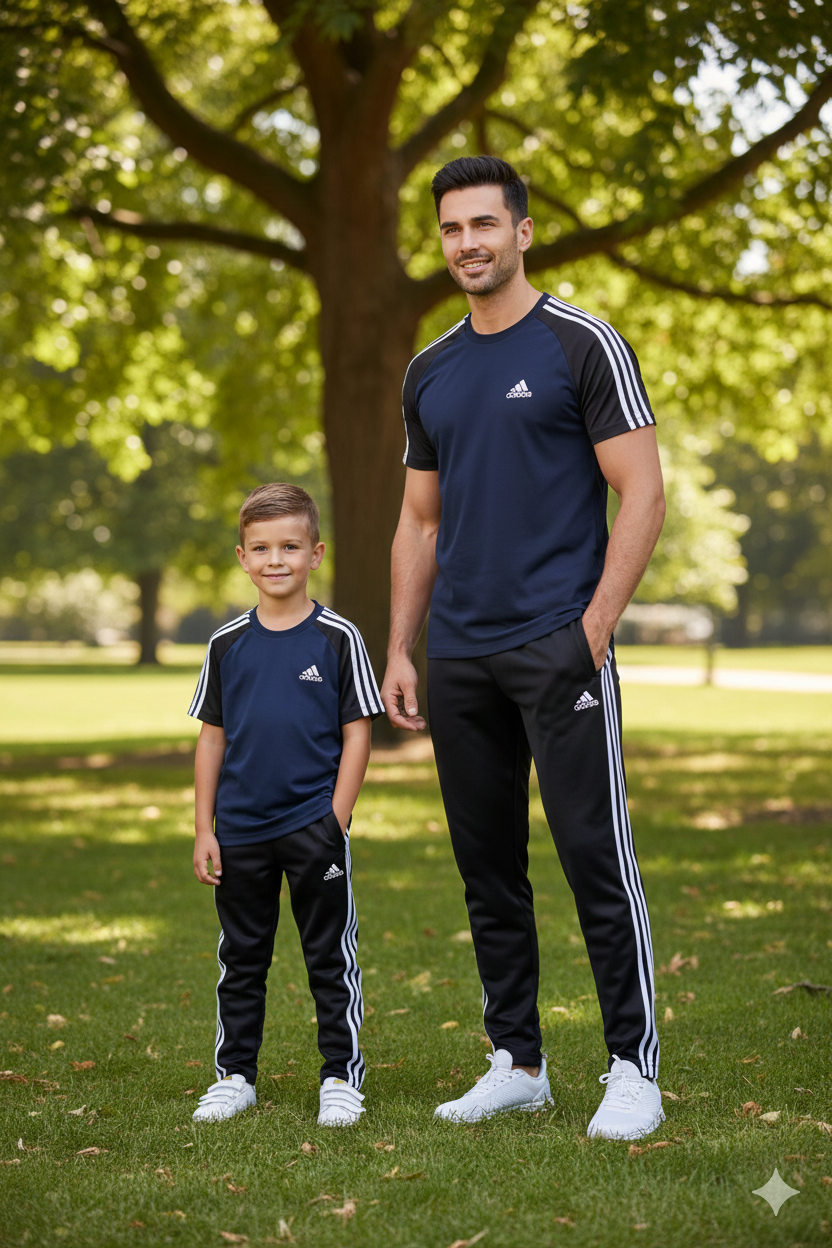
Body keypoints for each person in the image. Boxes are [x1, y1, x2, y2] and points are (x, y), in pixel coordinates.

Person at [381, 156, 667, 1140]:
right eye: (452, 228)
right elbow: (418, 522)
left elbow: (643, 489)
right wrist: (400, 650)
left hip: (558, 646)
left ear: (523, 231)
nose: (467, 243)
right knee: (486, 863)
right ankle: (518, 1059)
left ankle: (631, 1067)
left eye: (483, 225)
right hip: (458, 656)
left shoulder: (581, 344)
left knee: (595, 854)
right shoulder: (430, 369)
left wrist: (594, 627)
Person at [188, 482, 382, 1126]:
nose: (277, 560)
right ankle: (235, 1074)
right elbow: (211, 739)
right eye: (262, 547)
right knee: (242, 957)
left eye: (290, 546)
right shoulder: (224, 644)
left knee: (330, 956)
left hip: (312, 828)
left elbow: (359, 730)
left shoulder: (338, 638)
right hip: (239, 830)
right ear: (242, 557)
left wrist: (336, 818)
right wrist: (203, 829)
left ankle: (340, 1078)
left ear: (315, 553)